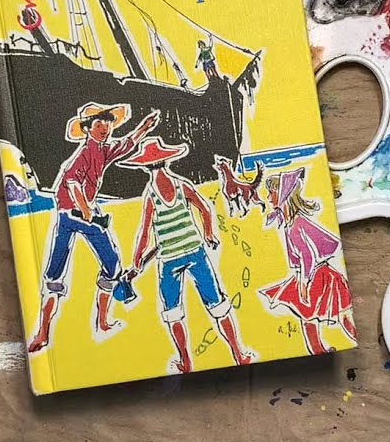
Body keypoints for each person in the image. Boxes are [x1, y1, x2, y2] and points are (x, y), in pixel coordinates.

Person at [27, 102, 159, 353]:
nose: (105, 128)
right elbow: (72, 183)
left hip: (85, 211)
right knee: (60, 274)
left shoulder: (103, 150)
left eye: (108, 124)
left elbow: (126, 145)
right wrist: (85, 209)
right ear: (88, 129)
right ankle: (44, 333)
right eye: (99, 124)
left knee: (108, 267)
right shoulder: (85, 153)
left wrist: (143, 128)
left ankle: (102, 322)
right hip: (71, 213)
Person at [124, 138, 254, 373]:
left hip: (169, 259)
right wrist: (208, 233)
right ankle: (238, 353)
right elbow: (204, 208)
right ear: (166, 161)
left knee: (173, 312)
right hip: (195, 251)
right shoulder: (180, 184)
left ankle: (186, 362)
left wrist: (136, 261)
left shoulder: (151, 194)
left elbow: (145, 231)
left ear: (145, 167)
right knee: (217, 304)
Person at [259, 168, 357, 355]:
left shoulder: (295, 225)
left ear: (282, 195)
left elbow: (308, 256)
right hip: (310, 274)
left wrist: (304, 283)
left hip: (318, 276)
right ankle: (318, 348)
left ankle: (330, 344)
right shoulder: (290, 222)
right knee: (311, 317)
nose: (268, 197)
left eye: (271, 192)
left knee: (336, 314)